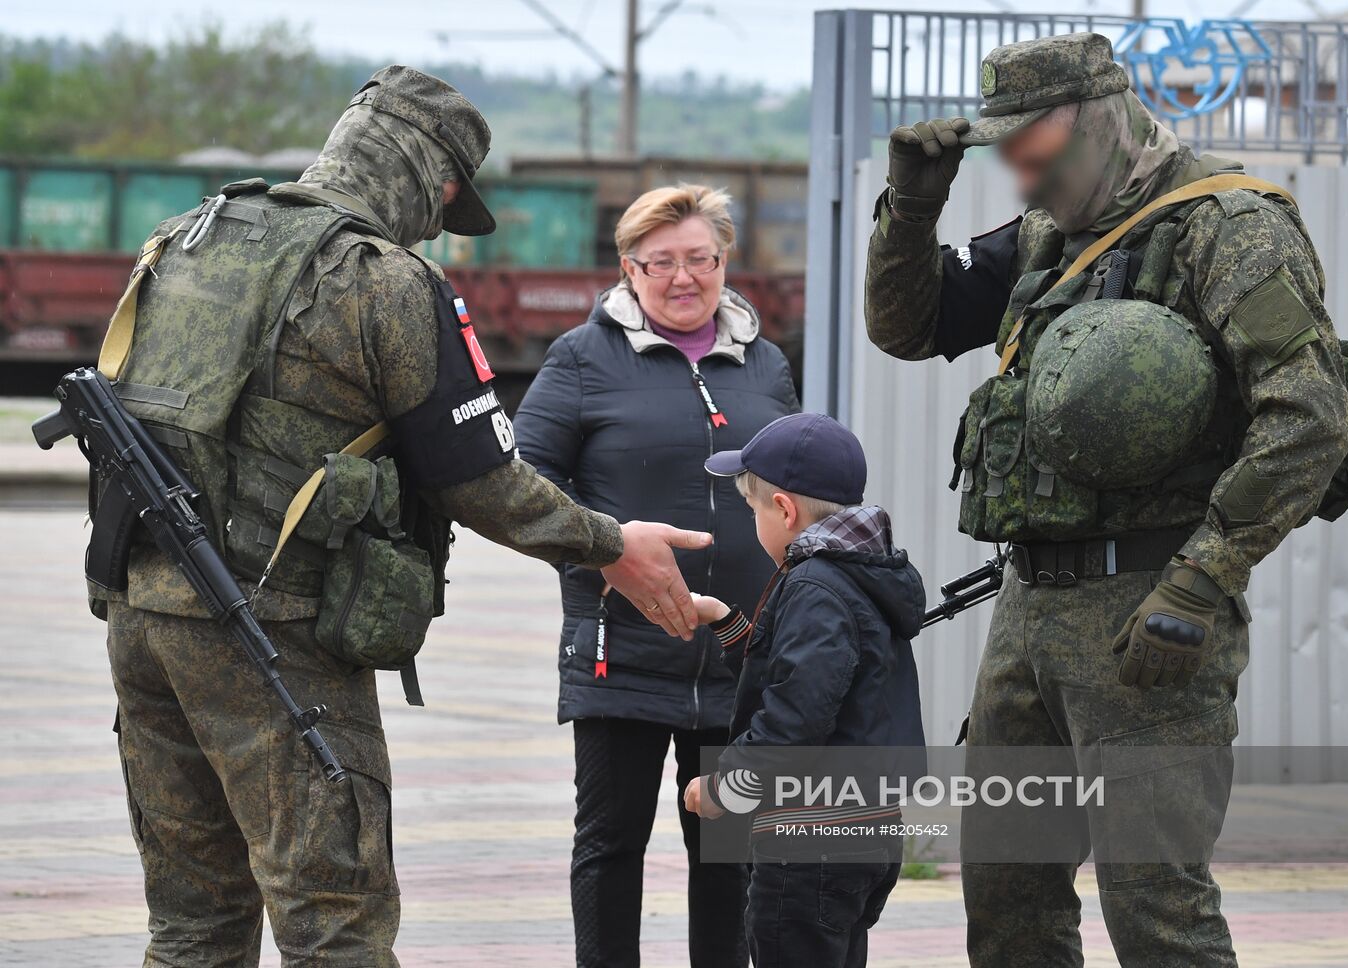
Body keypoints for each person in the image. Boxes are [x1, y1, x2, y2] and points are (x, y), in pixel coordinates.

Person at [93, 66, 710, 967]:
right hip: (275, 642)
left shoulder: (185, 235)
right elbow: (481, 481)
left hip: (144, 624)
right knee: (336, 924)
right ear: (434, 176)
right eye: (447, 200)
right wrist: (612, 545)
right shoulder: (383, 283)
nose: (436, 226)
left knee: (193, 927)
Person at [863, 32, 1348, 967]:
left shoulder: (1230, 226)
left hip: (1150, 621)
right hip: (1030, 611)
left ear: (1095, 118)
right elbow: (909, 327)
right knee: (1007, 895)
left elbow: (1310, 417)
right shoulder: (1049, 235)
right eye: (1004, 156)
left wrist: (1202, 580)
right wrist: (912, 209)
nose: (1020, 179)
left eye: (1031, 152)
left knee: (1155, 906)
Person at [513, 183, 799, 968]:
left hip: (742, 650)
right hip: (622, 651)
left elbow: (794, 494)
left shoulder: (766, 363)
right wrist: (602, 545)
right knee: (611, 848)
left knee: (730, 851)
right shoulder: (581, 358)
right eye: (660, 263)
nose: (683, 279)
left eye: (700, 260)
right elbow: (521, 482)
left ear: (723, 261)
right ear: (629, 268)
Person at [682, 412, 927, 968]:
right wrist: (726, 623)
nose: (754, 525)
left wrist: (726, 787)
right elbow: (815, 679)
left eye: (753, 512)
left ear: (785, 510)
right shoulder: (863, 573)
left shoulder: (816, 584)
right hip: (866, 827)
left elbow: (796, 716)